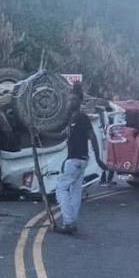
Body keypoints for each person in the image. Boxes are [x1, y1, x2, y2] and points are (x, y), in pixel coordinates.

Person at [54, 85, 102, 235]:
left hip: (75, 160)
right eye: (69, 99)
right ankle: (71, 220)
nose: (70, 102)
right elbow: (61, 136)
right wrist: (39, 133)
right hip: (80, 160)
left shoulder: (81, 118)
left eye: (73, 99)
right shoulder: (72, 120)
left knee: (61, 189)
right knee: (75, 191)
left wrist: (99, 159)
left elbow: (92, 136)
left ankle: (68, 222)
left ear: (80, 101)